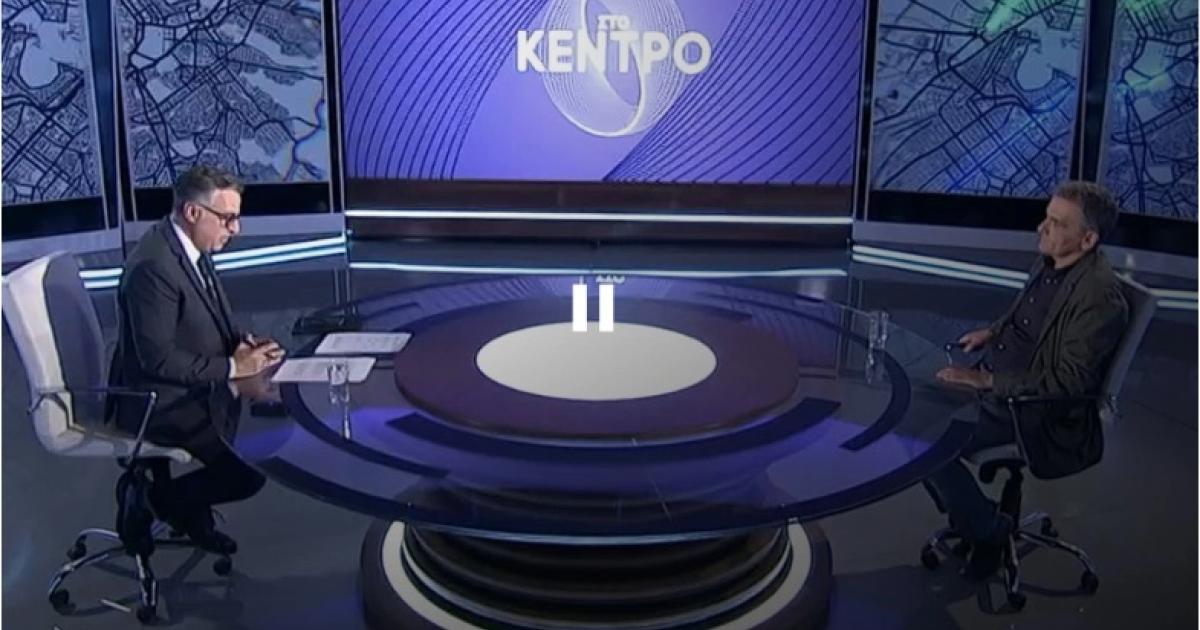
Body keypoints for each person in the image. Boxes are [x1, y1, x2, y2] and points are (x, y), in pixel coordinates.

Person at [928, 181, 1129, 579]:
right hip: (996, 382)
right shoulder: (1050, 260)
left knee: (929, 440)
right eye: (1046, 217)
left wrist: (986, 382)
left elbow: (1067, 383)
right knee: (908, 413)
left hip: (1033, 411)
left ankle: (986, 530)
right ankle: (973, 515)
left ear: (1088, 240)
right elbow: (1025, 314)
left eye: (1057, 223)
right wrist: (992, 332)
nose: (1042, 228)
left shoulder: (1098, 297)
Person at [109, 165, 284, 554]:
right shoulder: (153, 268)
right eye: (227, 218)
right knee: (250, 468)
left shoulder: (190, 246)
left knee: (270, 418)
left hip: (191, 386)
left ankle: (185, 507)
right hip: (161, 402)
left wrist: (244, 344)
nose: (235, 229)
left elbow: (204, 316)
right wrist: (235, 368)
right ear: (192, 212)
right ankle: (153, 501)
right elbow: (157, 361)